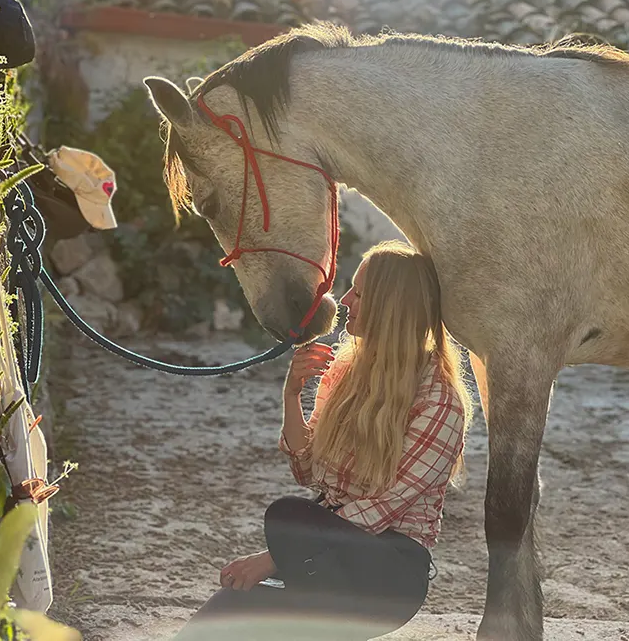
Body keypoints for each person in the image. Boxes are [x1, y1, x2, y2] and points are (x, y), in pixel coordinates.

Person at [172, 240, 474, 640]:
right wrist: (293, 392)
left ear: (391, 308)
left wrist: (273, 560)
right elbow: (308, 471)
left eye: (360, 293)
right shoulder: (345, 371)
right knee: (237, 598)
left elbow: (382, 509)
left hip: (387, 569)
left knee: (290, 522)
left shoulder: (440, 399)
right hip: (326, 549)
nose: (345, 300)